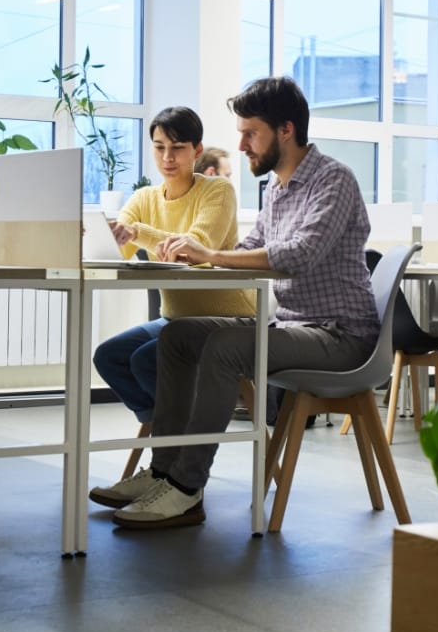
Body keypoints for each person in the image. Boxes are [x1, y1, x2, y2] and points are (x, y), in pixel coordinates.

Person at [98, 76, 377, 530]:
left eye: (250, 133)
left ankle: (187, 487)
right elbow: (250, 246)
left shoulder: (333, 179)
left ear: (285, 130)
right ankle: (163, 471)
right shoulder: (278, 189)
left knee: (224, 347)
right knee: (178, 335)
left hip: (341, 335)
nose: (242, 144)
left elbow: (299, 254)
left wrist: (211, 253)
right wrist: (201, 254)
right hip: (291, 326)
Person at [86, 108, 252, 506]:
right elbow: (121, 248)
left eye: (177, 148)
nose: (167, 158)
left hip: (229, 318)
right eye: (159, 147)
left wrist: (136, 232)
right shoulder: (144, 197)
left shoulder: (217, 191)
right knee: (110, 357)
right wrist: (105, 236)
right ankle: (170, 437)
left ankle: (172, 463)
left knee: (148, 360)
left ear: (197, 150)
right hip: (175, 319)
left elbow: (193, 247)